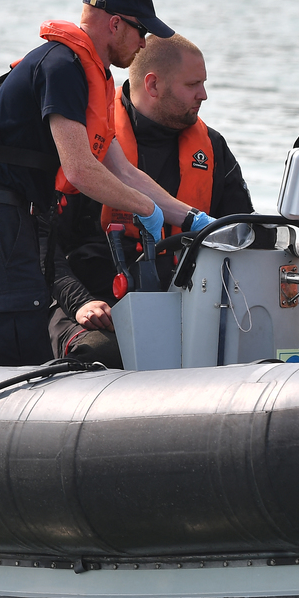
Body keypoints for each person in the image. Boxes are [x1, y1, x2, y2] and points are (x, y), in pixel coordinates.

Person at [0, 0, 211, 366]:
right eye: (142, 31)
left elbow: (123, 171)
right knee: (15, 352)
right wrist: (145, 210)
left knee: (6, 346)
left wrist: (191, 218)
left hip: (10, 217)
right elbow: (79, 170)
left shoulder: (90, 74)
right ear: (116, 23)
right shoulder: (63, 66)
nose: (144, 44)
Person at [48, 33, 253, 365]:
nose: (204, 95)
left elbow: (245, 235)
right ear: (153, 85)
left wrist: (279, 286)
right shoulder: (82, 146)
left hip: (191, 306)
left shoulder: (212, 149)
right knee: (102, 352)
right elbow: (43, 245)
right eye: (193, 85)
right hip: (95, 307)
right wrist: (80, 302)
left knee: (292, 344)